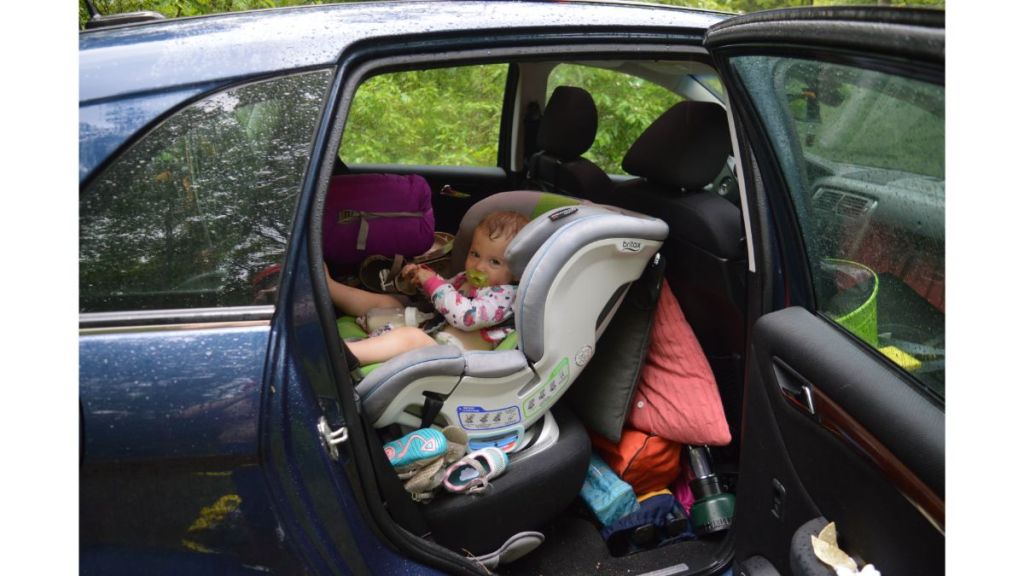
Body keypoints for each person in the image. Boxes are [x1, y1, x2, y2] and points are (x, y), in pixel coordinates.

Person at [326, 210, 530, 365]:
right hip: (434, 333)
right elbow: (442, 297)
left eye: (494, 262)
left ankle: (341, 356)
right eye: (475, 254)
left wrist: (432, 282)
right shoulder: (465, 279)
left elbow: (465, 316)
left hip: (455, 358)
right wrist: (421, 279)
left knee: (411, 338)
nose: (479, 266)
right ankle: (330, 288)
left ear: (517, 272)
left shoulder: (505, 297)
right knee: (389, 303)